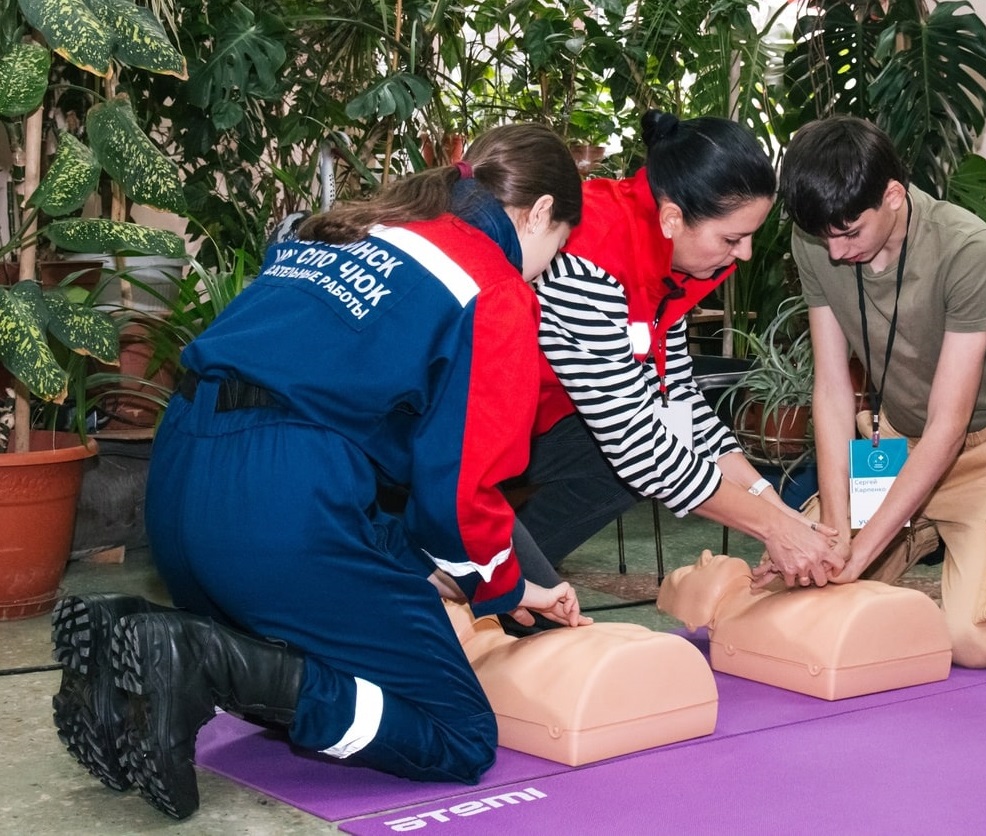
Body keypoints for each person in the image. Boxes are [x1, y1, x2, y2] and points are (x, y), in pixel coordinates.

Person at [50, 123, 591, 821]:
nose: (543, 270)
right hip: (276, 508)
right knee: (455, 734)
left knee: (336, 650)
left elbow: (367, 454)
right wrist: (503, 581)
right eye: (555, 252)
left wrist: (483, 581)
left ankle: (135, 641)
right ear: (540, 212)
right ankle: (203, 659)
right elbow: (459, 489)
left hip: (182, 480)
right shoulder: (490, 286)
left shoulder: (348, 231)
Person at [773, 114, 986, 669]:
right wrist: (835, 530)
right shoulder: (823, 235)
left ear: (894, 196)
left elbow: (949, 427)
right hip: (898, 444)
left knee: (976, 640)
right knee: (804, 577)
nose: (834, 251)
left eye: (850, 232)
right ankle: (931, 534)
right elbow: (831, 390)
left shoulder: (964, 247)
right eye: (823, 236)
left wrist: (859, 555)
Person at [513, 109, 843, 590]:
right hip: (456, 430)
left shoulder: (669, 260)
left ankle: (513, 582)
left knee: (634, 452)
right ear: (672, 217)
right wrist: (772, 528)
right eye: (733, 238)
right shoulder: (589, 259)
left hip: (533, 419)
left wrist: (772, 503)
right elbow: (635, 444)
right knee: (628, 455)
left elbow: (679, 403)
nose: (746, 254)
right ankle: (478, 580)